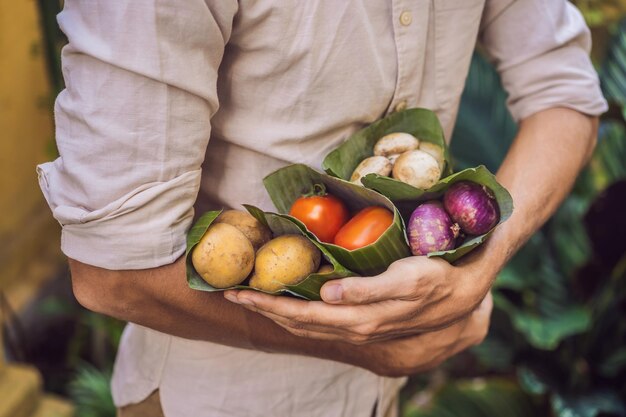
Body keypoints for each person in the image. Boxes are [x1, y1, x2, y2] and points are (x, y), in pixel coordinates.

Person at [37, 1, 607, 416]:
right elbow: (110, 274)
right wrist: (367, 338)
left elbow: (565, 93)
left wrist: (485, 259)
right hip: (210, 400)